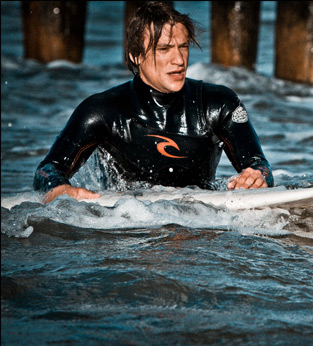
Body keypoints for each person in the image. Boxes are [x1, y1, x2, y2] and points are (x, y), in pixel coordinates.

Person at [34, 1, 273, 204]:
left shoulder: (218, 104)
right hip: (127, 225)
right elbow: (48, 170)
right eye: (164, 49)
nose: (178, 59)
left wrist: (255, 176)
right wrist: (60, 189)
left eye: (183, 47)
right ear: (136, 56)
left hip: (199, 228)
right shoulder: (102, 111)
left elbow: (258, 164)